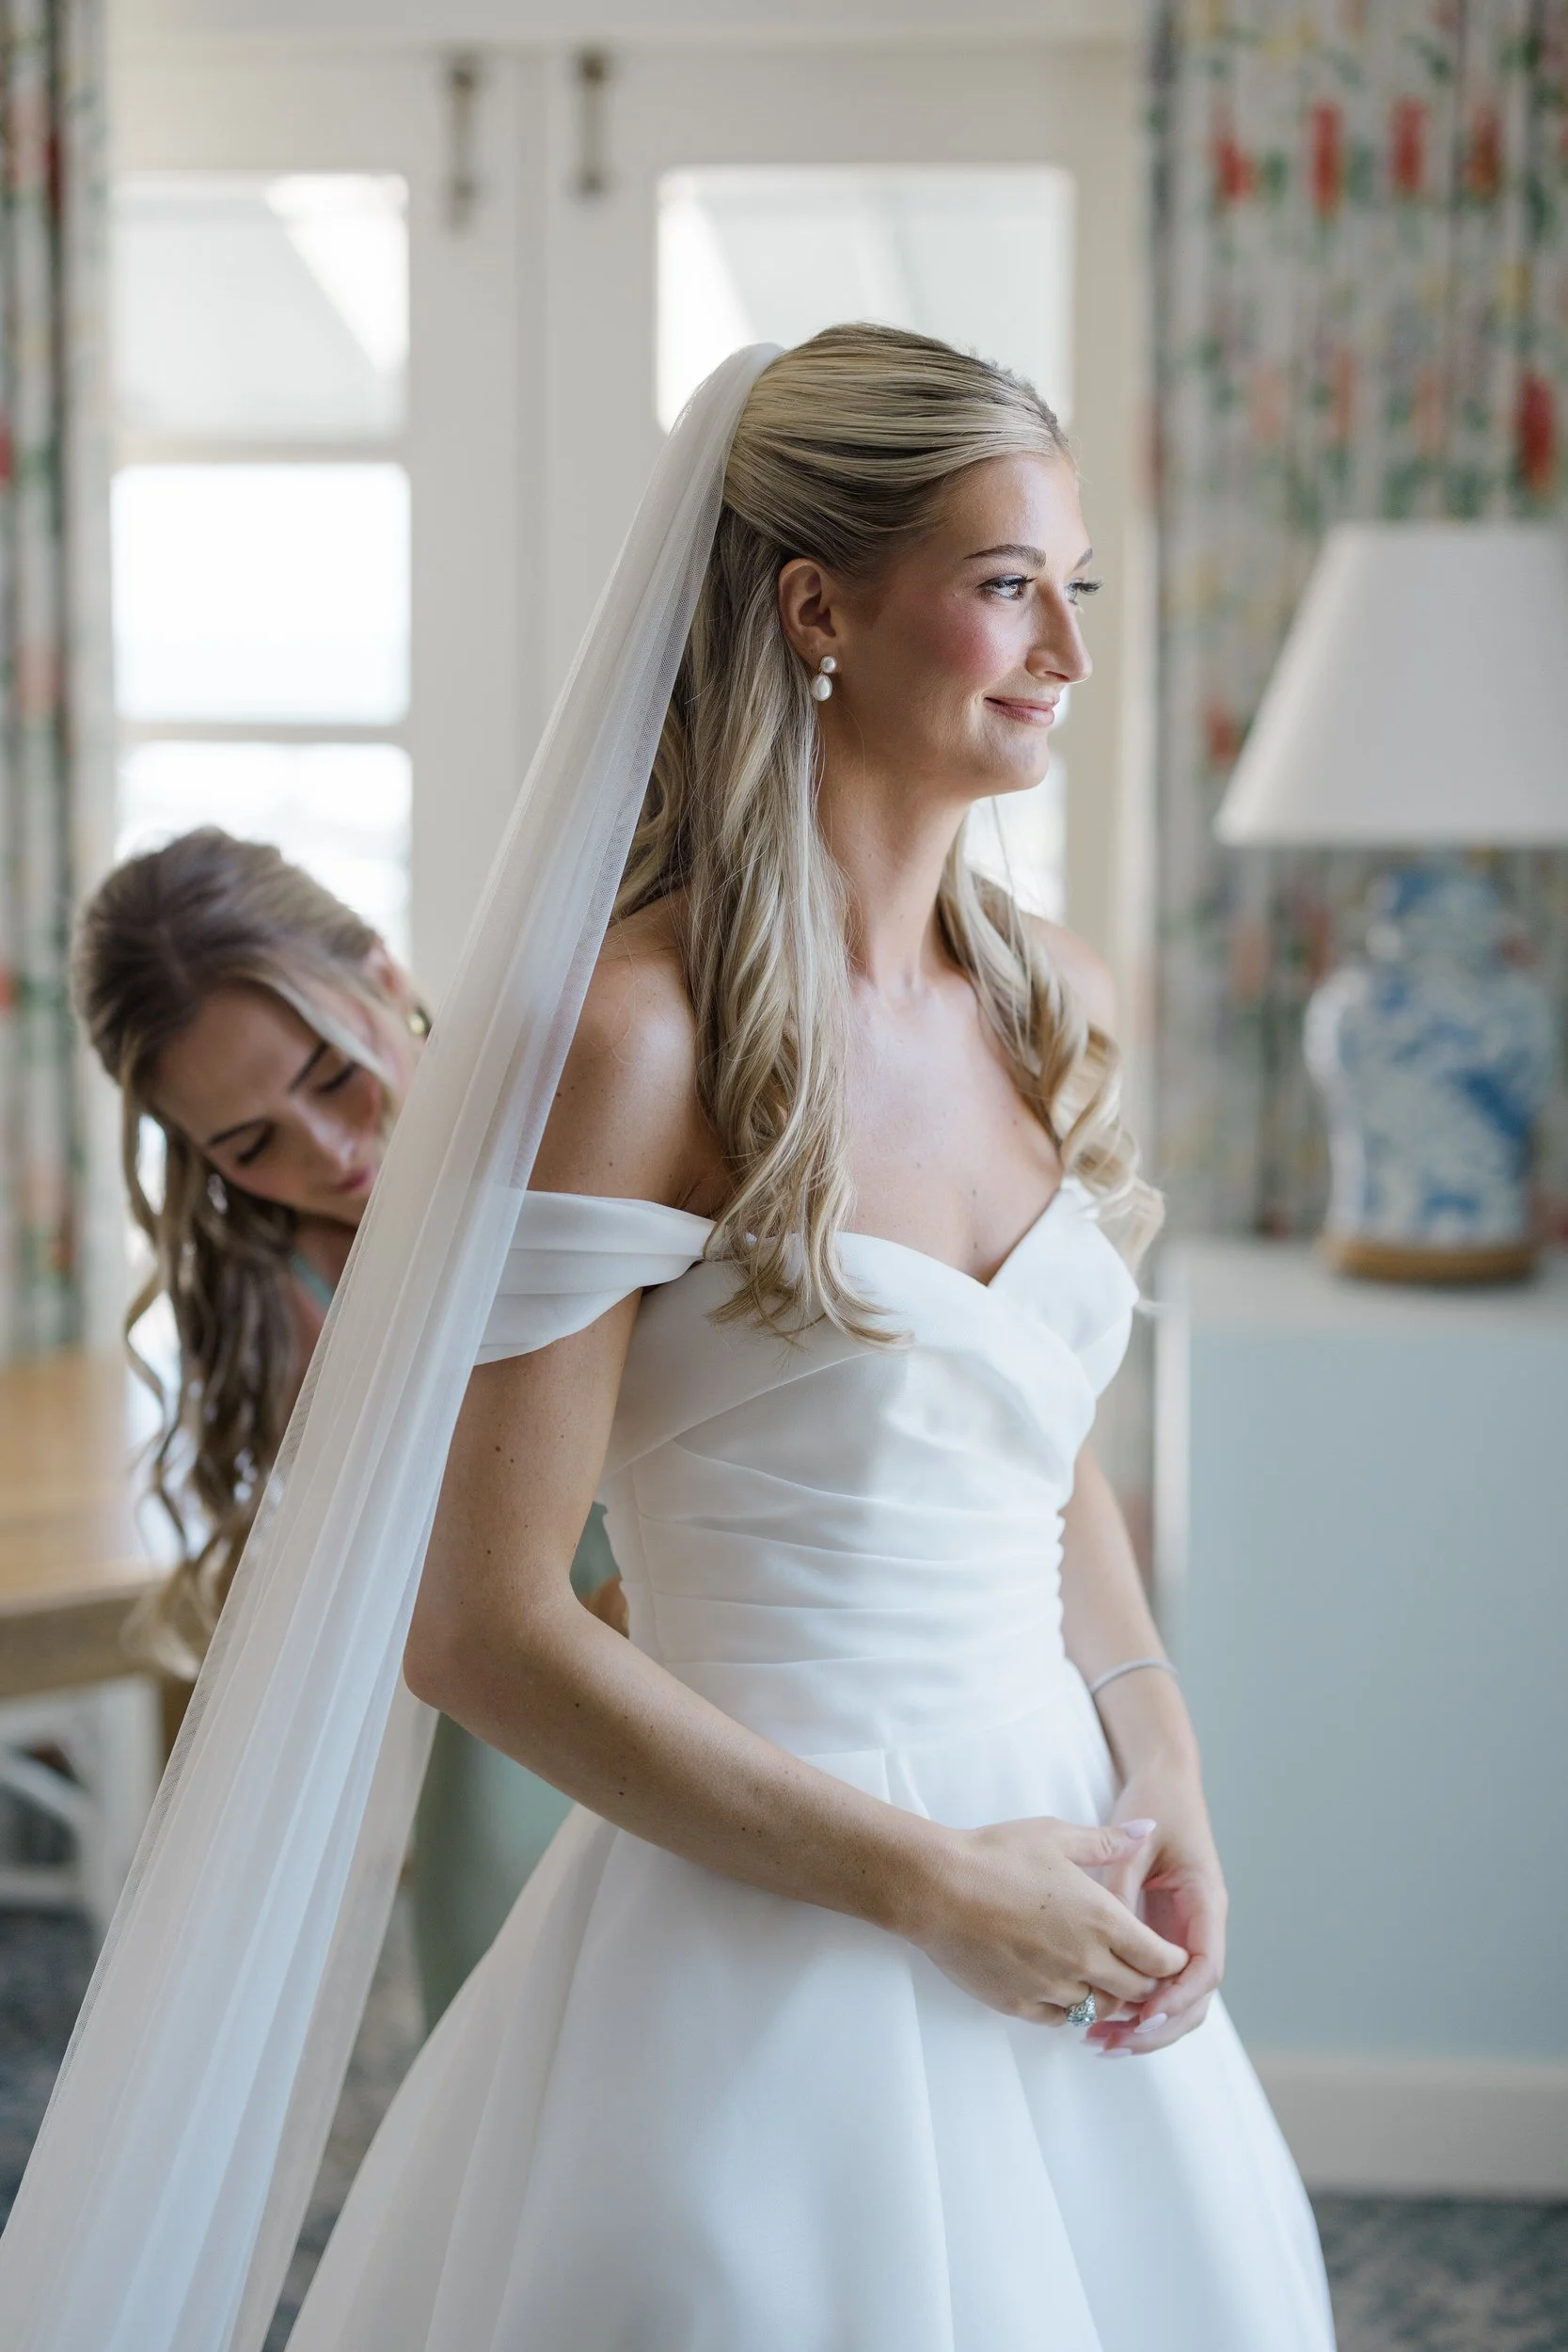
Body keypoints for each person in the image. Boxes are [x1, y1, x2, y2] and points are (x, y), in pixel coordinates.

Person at [281, 326, 1335, 2348]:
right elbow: (483, 1626)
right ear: (815, 608)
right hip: (767, 1899)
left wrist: (1164, 1758)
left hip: (1064, 1852)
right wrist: (927, 1882)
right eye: (1008, 583)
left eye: (1073, 590)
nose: (1064, 654)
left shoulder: (1058, 1005)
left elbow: (1027, 1455)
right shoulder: (634, 1035)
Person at [71, 830, 624, 2021]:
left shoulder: (596, 1105)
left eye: (330, 1076)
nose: (327, 1152)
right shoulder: (282, 1301)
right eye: (248, 1144)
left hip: (731, 1642)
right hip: (511, 1727)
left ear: (382, 975)